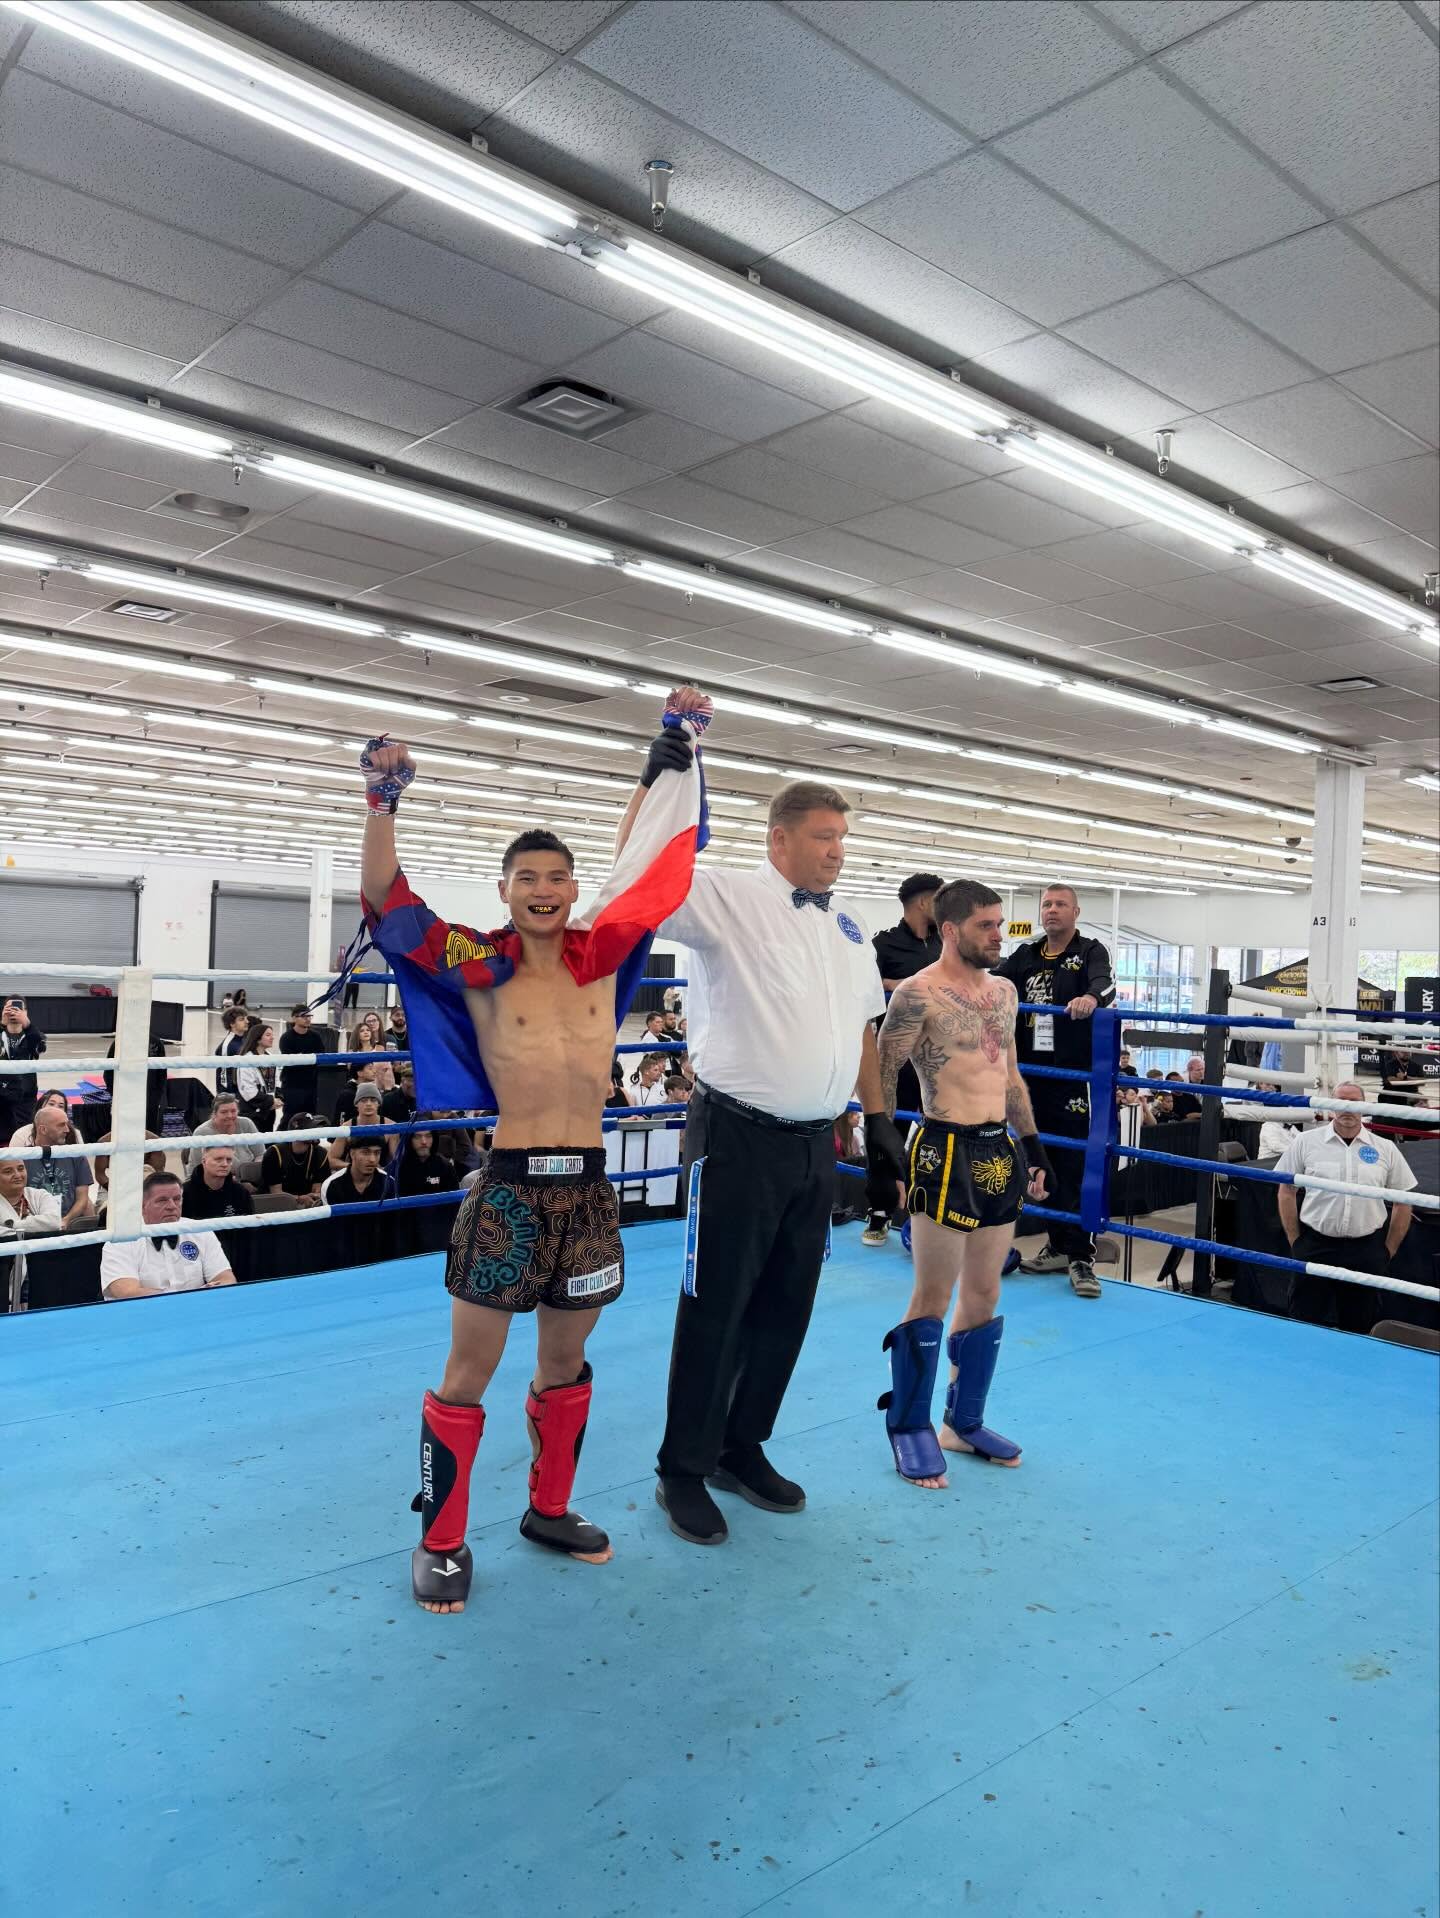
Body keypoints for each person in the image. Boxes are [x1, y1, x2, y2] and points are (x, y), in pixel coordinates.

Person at [356, 687, 708, 1611]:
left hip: (589, 1194)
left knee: (565, 1366)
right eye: (528, 879)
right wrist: (380, 804)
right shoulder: (482, 963)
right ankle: (439, 1536)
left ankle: (549, 1510)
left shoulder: (607, 957)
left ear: (571, 885)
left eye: (558, 876)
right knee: (467, 1371)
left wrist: (667, 754)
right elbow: (390, 907)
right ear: (505, 889)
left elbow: (649, 867)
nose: (545, 890)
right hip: (509, 1188)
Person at [633, 777, 901, 1550]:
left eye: (842, 839)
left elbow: (859, 1032)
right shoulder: (723, 898)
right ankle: (681, 1468)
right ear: (779, 839)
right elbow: (644, 872)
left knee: (788, 1304)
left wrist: (877, 1120)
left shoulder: (850, 927)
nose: (836, 852)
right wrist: (666, 773)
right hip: (736, 1137)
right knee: (716, 1304)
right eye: (823, 837)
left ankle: (739, 1447)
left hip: (816, 1144)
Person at [871, 880, 1052, 1486]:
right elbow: (883, 1073)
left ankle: (962, 1422)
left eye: (1001, 924)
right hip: (941, 1150)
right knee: (931, 1297)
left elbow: (1011, 1075)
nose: (999, 935)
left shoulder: (1004, 991)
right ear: (950, 930)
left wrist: (1033, 1146)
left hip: (997, 1149)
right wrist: (883, 1150)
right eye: (985, 925)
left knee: (986, 1296)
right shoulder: (919, 995)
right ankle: (908, 1426)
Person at [992, 884, 1114, 1299]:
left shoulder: (1090, 951)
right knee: (1036, 1162)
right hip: (1029, 1078)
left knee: (1074, 1164)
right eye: (1047, 904)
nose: (1053, 910)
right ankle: (1057, 1244)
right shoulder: (1026, 955)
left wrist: (1091, 997)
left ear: (1076, 911)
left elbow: (1106, 984)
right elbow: (993, 983)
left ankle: (1080, 1255)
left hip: (1071, 1079)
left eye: (1061, 904)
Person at [1275, 1083, 1417, 1334]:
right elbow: (1286, 1191)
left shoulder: (1385, 1148)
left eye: (1353, 1103)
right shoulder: (1306, 1142)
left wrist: (1388, 1250)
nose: (1347, 1109)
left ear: (1364, 1107)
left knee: (1360, 1324)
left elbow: (1403, 1201)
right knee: (1304, 1320)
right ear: (1331, 1106)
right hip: (1315, 1244)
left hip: (1366, 1249)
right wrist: (1296, 1241)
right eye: (1341, 1102)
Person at [863, 872, 945, 1245]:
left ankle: (936, 1211)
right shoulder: (884, 944)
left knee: (942, 1134)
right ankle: (879, 1213)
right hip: (894, 1056)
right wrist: (900, 986)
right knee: (886, 1130)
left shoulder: (946, 943)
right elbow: (862, 984)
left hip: (936, 1055)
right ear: (923, 902)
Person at [99, 1170, 237, 1300]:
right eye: (162, 1200)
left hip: (197, 1312)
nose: (172, 1206)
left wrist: (211, 1291)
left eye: (177, 1199)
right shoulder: (120, 1241)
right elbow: (127, 1293)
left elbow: (227, 1279)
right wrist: (186, 1299)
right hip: (141, 1318)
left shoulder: (200, 1231)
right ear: (142, 1206)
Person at [0, 1153, 61, 1313]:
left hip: (42, 1274)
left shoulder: (39, 1195)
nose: (17, 1175)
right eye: (8, 1171)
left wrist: (13, 1225)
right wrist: (34, 1226)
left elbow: (54, 1222)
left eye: (21, 1168)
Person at [25, 1098, 93, 1229]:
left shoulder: (76, 1155)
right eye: (61, 1125)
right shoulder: (22, 1157)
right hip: (34, 1225)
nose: (67, 1130)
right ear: (43, 1130)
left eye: (67, 1124)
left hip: (71, 1223)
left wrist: (66, 1220)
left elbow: (82, 1198)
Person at [184, 1092, 266, 1187]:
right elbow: (198, 1167)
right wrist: (236, 1182)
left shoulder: (246, 1123)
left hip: (251, 1177)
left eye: (233, 1111)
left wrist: (254, 1174)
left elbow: (260, 1154)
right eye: (224, 1112)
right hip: (217, 1180)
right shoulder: (202, 1132)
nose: (230, 1115)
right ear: (214, 1114)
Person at [0, 996, 46, 1141]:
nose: (13, 1012)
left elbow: (40, 1046)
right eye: (9, 1008)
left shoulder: (33, 1035)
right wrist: (1, 1024)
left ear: (26, 1012)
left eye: (18, 1008)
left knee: (24, 1139)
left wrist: (27, 1024)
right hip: (1, 1096)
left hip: (25, 1098)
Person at [262, 1112, 330, 1205]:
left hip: (308, 1206)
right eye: (310, 1129)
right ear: (296, 1133)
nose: (315, 1132)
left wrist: (315, 1195)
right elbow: (276, 1194)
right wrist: (299, 1198)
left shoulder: (320, 1153)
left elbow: (317, 1187)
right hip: (276, 1207)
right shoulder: (274, 1153)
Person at [183, 1144, 256, 1223]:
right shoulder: (184, 1193)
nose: (225, 1164)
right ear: (204, 1161)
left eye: (229, 1160)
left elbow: (249, 1227)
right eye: (218, 1159)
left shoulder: (241, 1192)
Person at [320, 1138, 396, 1207]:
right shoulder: (332, 1185)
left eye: (377, 1153)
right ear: (352, 1154)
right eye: (365, 1153)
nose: (372, 1159)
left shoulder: (389, 1182)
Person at [277, 1005, 322, 1119]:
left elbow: (320, 1057)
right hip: (292, 1085)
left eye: (309, 1016)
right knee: (290, 1117)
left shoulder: (315, 1037)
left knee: (310, 1117)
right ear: (294, 1018)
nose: (308, 1019)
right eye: (304, 1016)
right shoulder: (286, 1038)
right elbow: (291, 1061)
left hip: (311, 1085)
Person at [396, 1127, 461, 1198]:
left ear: (434, 1138)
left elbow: (454, 1200)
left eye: (428, 1136)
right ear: (409, 1140)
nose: (424, 1142)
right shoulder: (398, 1167)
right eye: (417, 1137)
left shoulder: (445, 1166)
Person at [236, 1022, 278, 1131]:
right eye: (268, 1035)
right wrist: (271, 1101)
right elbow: (249, 1091)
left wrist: (279, 1098)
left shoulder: (271, 1058)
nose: (272, 1038)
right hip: (252, 1112)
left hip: (269, 1110)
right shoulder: (247, 1059)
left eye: (272, 1035)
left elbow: (276, 1081)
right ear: (258, 1038)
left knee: (267, 1143)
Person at [216, 1005, 251, 1096]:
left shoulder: (245, 1040)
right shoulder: (227, 1046)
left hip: (245, 1092)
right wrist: (229, 1096)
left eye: (246, 1019)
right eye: (241, 1019)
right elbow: (224, 1075)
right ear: (232, 1024)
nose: (247, 1021)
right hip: (233, 1095)